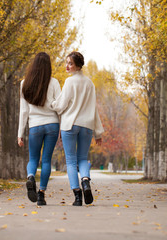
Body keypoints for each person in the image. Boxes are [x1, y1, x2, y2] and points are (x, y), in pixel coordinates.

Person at [51, 51, 104, 206]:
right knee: (82, 158)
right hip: (87, 126)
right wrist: (98, 132)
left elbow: (61, 105)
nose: (67, 66)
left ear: (78, 65)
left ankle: (77, 196)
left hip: (70, 125)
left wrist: (52, 105)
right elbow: (94, 109)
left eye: (70, 63)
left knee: (71, 161)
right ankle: (86, 181)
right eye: (67, 63)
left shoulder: (69, 82)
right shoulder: (90, 83)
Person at [17, 52, 61, 206]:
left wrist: (20, 133)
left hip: (35, 125)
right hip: (52, 125)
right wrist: (63, 127)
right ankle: (41, 195)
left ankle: (30, 177)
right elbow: (60, 107)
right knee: (47, 160)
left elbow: (24, 111)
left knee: (33, 159)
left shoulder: (24, 83)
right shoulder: (54, 82)